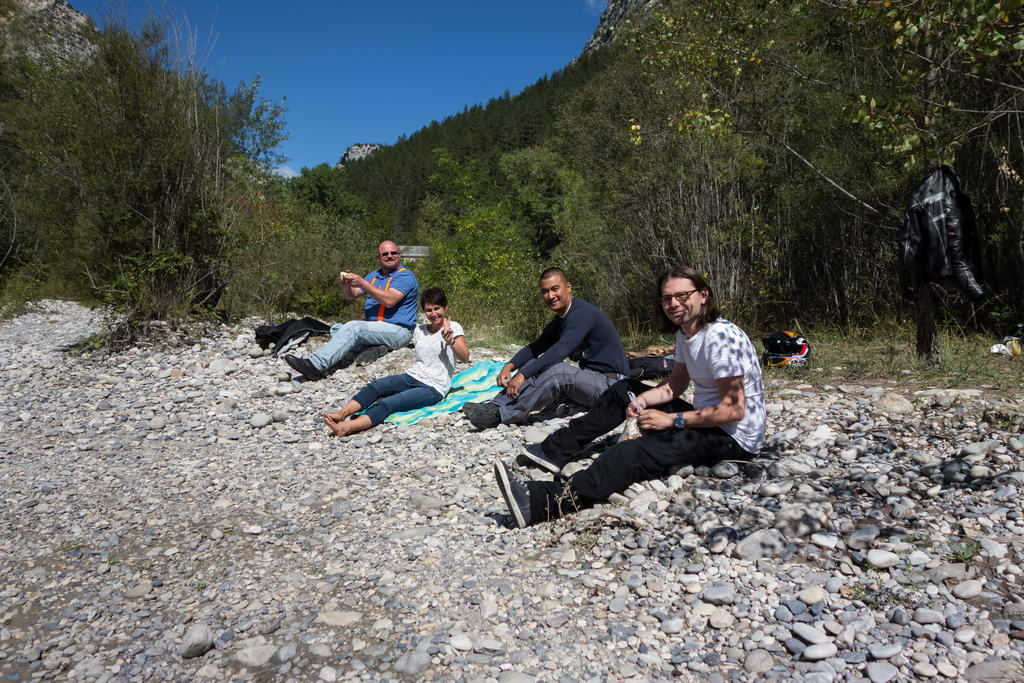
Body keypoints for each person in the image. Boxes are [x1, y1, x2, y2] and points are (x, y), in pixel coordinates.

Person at [493, 266, 765, 528]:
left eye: (682, 295)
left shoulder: (720, 340)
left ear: (703, 295)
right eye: (667, 298)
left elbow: (733, 411)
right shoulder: (688, 332)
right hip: (707, 420)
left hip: (732, 438)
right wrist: (643, 401)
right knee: (624, 390)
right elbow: (677, 383)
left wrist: (671, 420)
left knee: (632, 452)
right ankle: (553, 451)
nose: (673, 304)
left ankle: (544, 502)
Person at [462, 267, 628, 429]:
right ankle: (494, 406)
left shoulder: (582, 313)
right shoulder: (561, 319)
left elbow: (560, 350)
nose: (551, 296)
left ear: (568, 287)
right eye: (545, 291)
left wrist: (522, 375)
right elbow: (535, 348)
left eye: (555, 289)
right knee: (534, 363)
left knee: (558, 371)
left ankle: (503, 415)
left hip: (611, 386)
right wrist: (510, 366)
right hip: (592, 379)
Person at [324, 287, 469, 436]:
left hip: (433, 387)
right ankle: (342, 413)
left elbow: (465, 358)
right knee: (376, 386)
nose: (433, 314)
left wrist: (451, 341)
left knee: (389, 403)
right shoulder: (420, 330)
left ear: (445, 307)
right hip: (412, 376)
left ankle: (347, 427)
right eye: (428, 310)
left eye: (437, 308)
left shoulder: (453, 327)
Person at [284, 241, 419, 381]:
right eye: (385, 254)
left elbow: (390, 300)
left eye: (393, 253)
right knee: (337, 328)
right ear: (378, 258)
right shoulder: (374, 275)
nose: (390, 256)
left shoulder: (405, 276)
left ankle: (314, 365)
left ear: (399, 255)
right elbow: (351, 295)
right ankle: (377, 347)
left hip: (399, 330)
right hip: (377, 329)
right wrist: (346, 286)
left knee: (353, 328)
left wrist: (363, 283)